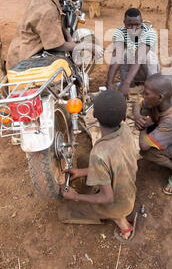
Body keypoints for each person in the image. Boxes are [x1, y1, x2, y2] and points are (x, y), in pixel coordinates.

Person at [58, 89, 139, 242]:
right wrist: (82, 172)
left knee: (64, 211)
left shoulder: (100, 153)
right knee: (84, 160)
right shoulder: (126, 130)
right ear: (124, 117)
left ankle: (122, 223)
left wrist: (75, 196)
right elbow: (113, 165)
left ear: (94, 115)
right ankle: (115, 212)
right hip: (128, 191)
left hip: (117, 203)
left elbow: (107, 198)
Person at [6, 0, 102, 70]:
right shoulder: (48, 11)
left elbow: (60, 22)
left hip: (23, 48)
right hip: (25, 60)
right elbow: (57, 45)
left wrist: (70, 40)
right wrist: (86, 46)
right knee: (65, 70)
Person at [133, 73, 172, 195]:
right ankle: (159, 140)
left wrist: (143, 127)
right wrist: (139, 118)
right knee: (145, 110)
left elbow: (143, 146)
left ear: (160, 97)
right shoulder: (162, 102)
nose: (143, 95)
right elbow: (137, 103)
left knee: (148, 152)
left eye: (146, 93)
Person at [106, 8, 159, 99]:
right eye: (129, 25)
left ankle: (151, 87)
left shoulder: (150, 33)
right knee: (124, 53)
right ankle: (129, 86)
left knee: (148, 56)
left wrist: (126, 83)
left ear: (142, 22)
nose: (133, 29)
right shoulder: (119, 33)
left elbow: (139, 57)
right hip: (131, 71)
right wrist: (109, 82)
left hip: (146, 71)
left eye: (137, 25)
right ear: (124, 23)